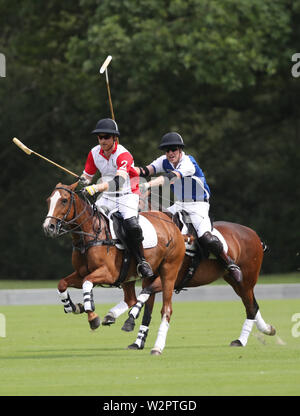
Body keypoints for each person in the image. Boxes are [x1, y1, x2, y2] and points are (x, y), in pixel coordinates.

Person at [136, 131, 242, 284]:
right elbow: (146, 170)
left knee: (206, 237)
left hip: (198, 205)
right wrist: (127, 169)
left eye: (173, 149)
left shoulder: (188, 163)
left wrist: (147, 185)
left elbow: (169, 178)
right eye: (167, 150)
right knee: (158, 224)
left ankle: (230, 264)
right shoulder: (164, 160)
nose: (170, 153)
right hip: (179, 204)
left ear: (180, 150)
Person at [80, 118, 154, 279]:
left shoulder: (123, 154)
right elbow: (88, 176)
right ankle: (89, 258)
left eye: (107, 137)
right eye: (100, 137)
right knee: (88, 220)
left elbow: (119, 181)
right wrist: (83, 181)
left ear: (115, 138)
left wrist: (96, 188)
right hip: (107, 196)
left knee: (132, 225)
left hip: (127, 195)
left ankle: (142, 262)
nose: (103, 140)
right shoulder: (94, 153)